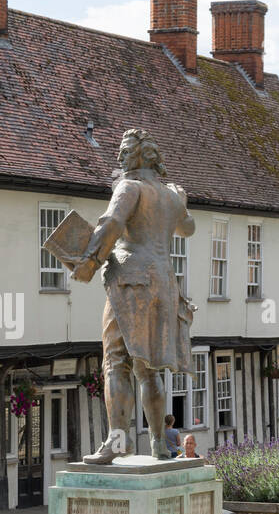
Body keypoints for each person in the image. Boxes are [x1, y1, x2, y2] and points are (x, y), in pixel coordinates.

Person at [72, 129, 196, 462]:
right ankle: (157, 443)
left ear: (141, 156)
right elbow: (189, 227)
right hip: (164, 282)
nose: (120, 158)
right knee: (148, 368)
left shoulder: (128, 187)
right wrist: (176, 202)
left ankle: (117, 443)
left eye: (125, 152)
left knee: (115, 361)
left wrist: (89, 261)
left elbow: (113, 223)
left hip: (130, 279)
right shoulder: (172, 195)